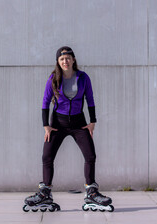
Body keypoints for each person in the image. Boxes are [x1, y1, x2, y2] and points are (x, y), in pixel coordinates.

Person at [24, 46, 112, 212]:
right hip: (58, 122)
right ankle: (45, 193)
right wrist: (46, 126)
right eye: (62, 59)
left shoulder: (83, 77)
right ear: (58, 62)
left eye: (68, 58)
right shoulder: (53, 79)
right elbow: (45, 102)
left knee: (90, 155)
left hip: (79, 122)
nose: (65, 61)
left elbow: (90, 99)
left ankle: (92, 192)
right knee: (47, 156)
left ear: (73, 60)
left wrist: (93, 121)